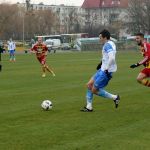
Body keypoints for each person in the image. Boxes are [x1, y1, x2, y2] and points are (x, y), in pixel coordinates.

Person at [81, 29, 120, 112]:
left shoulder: (107, 45)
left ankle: (115, 97)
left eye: (100, 38)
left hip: (106, 71)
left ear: (105, 37)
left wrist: (106, 68)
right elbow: (108, 57)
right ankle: (89, 107)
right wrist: (101, 63)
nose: (100, 39)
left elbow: (112, 58)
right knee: (89, 85)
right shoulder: (110, 43)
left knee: (94, 90)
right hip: (103, 69)